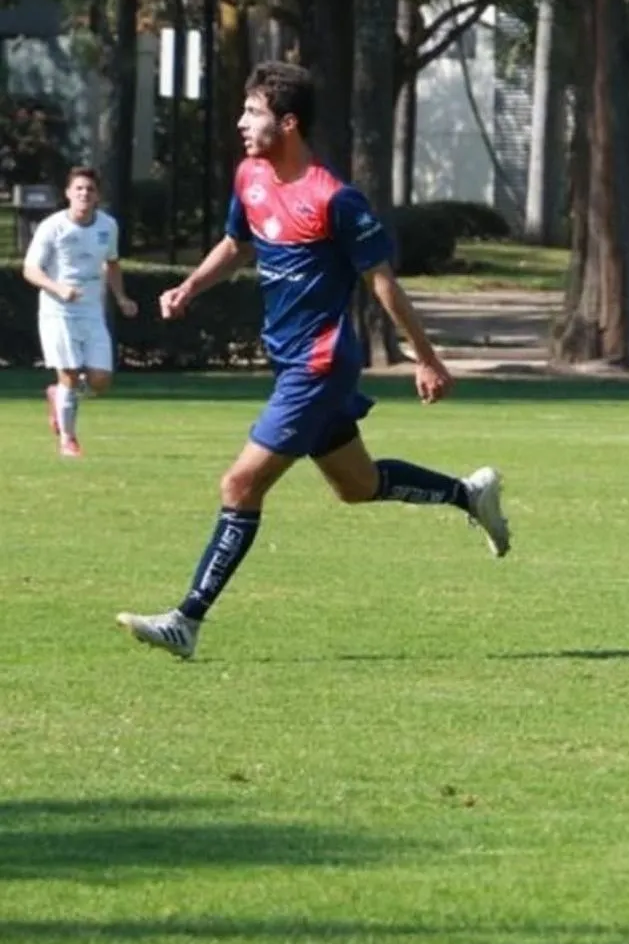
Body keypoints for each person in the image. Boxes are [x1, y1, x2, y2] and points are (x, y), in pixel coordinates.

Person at [115, 61, 510, 660]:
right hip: (290, 363)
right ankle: (467, 494)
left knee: (240, 484)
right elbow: (237, 243)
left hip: (319, 365)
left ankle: (186, 621)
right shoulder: (250, 175)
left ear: (289, 123)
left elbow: (383, 285)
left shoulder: (335, 199)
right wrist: (191, 286)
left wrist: (427, 360)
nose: (242, 123)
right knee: (358, 484)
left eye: (254, 113)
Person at [23, 166, 138, 457]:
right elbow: (30, 269)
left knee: (100, 381)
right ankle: (68, 439)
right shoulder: (53, 227)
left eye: (90, 189)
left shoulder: (107, 226)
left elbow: (111, 263)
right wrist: (58, 288)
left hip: (92, 310)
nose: (84, 194)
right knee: (70, 374)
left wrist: (121, 297)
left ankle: (58, 395)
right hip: (57, 310)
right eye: (79, 189)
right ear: (68, 194)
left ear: (97, 195)